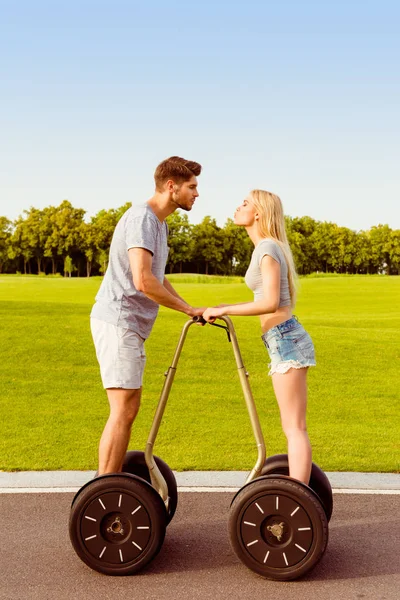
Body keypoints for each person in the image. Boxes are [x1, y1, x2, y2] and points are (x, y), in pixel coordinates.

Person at [90, 156, 205, 475]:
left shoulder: (159, 223)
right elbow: (143, 280)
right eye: (192, 187)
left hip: (129, 325)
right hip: (119, 320)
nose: (197, 194)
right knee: (122, 410)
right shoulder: (142, 218)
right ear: (172, 186)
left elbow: (157, 276)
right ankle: (105, 492)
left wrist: (190, 308)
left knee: (128, 409)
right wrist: (186, 309)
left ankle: (109, 485)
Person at [202, 190, 316, 484]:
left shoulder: (267, 247)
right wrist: (220, 309)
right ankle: (301, 496)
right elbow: (263, 299)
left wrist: (225, 308)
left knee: (294, 427)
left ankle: (301, 498)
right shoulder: (267, 247)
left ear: (258, 213)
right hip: (281, 338)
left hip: (286, 339)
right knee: (292, 425)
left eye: (244, 203)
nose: (237, 206)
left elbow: (270, 303)